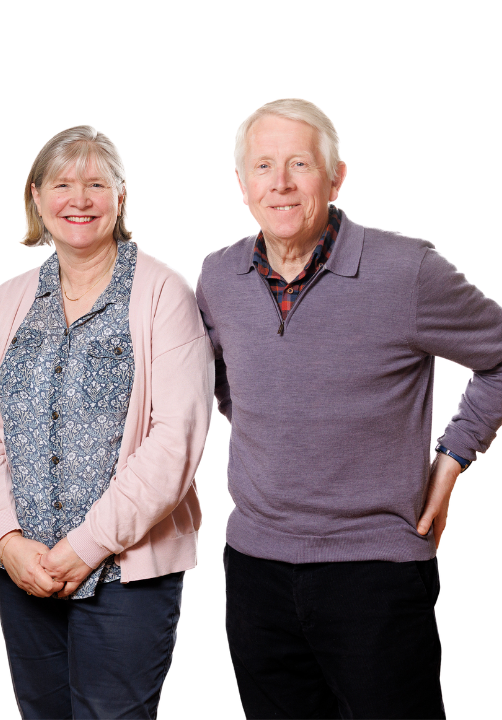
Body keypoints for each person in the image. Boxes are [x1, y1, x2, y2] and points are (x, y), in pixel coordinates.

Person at [195, 98, 502, 719]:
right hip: (255, 570)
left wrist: (451, 459)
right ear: (242, 185)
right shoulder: (219, 277)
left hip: (375, 571)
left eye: (300, 164)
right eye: (263, 166)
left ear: (335, 178)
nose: (280, 183)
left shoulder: (407, 272)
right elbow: (221, 381)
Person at [0, 126, 214, 719]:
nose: (79, 199)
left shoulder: (163, 294)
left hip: (127, 577)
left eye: (97, 184)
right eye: (62, 185)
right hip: (24, 572)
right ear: (36, 196)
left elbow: (175, 440)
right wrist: (6, 541)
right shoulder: (8, 301)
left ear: (121, 197)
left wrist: (85, 547)